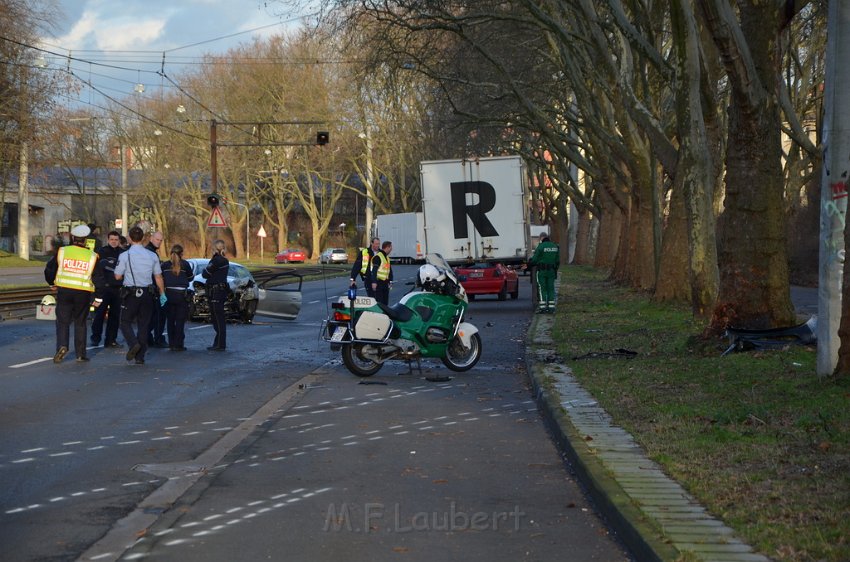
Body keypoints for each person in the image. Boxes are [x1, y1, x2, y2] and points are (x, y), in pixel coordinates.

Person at [44, 224, 101, 363]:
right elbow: (98, 278)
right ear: (86, 240)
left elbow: (49, 269)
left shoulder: (62, 251)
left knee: (63, 321)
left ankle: (62, 346)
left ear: (73, 237)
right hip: (83, 293)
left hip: (64, 291)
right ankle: (81, 354)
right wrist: (98, 298)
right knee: (80, 322)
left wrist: (52, 283)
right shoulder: (93, 256)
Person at [115, 226, 166, 365]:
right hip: (148, 294)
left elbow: (118, 276)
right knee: (144, 325)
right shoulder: (152, 255)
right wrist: (162, 294)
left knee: (124, 322)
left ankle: (133, 344)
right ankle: (140, 357)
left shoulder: (125, 255)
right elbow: (158, 277)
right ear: (143, 238)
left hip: (131, 294)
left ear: (130, 239)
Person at [90, 230, 126, 348]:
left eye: (116, 240)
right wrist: (100, 285)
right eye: (112, 240)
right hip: (104, 289)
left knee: (115, 316)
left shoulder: (123, 253)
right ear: (108, 240)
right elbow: (96, 271)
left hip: (118, 289)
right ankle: (95, 337)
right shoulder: (101, 252)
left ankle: (111, 340)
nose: (114, 242)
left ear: (119, 240)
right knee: (99, 314)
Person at [161, 244, 193, 351]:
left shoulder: (165, 265)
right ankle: (179, 344)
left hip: (169, 294)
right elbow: (190, 278)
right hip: (181, 295)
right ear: (181, 254)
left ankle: (171, 343)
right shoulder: (185, 264)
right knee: (180, 320)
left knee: (170, 320)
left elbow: (161, 278)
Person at [203, 239, 230, 351]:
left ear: (214, 248)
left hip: (215, 293)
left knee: (217, 319)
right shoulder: (225, 260)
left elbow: (205, 274)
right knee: (219, 318)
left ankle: (219, 344)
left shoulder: (216, 260)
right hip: (221, 291)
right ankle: (219, 342)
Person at [524, 232, 560, 313]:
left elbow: (535, 259)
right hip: (551, 271)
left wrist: (530, 263)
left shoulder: (541, 246)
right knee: (551, 288)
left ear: (541, 238)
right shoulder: (555, 246)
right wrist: (555, 270)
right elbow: (557, 261)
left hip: (542, 271)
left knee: (542, 289)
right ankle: (551, 308)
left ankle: (543, 308)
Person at [145, 231, 168, 348]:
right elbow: (156, 275)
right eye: (157, 239)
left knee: (151, 316)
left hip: (148, 288)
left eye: (160, 240)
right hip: (152, 289)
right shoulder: (151, 253)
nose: (159, 242)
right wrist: (162, 291)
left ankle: (148, 338)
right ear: (151, 238)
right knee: (158, 316)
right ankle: (157, 338)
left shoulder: (149, 251)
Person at [370, 240, 393, 305]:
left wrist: (390, 281)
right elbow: (374, 271)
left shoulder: (387, 258)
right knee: (380, 303)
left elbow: (389, 271)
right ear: (387, 247)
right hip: (379, 283)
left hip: (385, 283)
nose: (391, 250)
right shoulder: (378, 257)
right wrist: (374, 282)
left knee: (385, 302)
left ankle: (385, 314)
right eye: (391, 248)